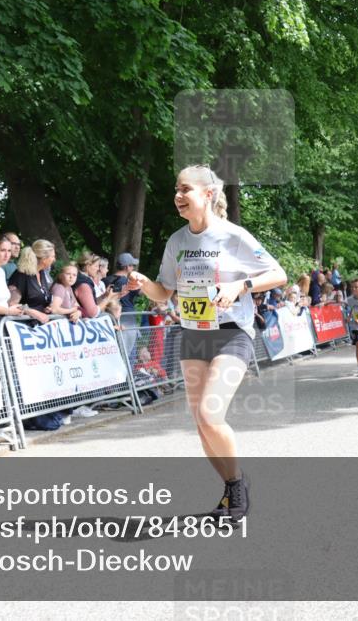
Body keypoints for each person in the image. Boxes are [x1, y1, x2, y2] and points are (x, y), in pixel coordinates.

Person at [126, 165, 286, 522]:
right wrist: (143, 283)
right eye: (176, 190)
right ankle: (232, 487)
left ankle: (236, 488)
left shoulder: (232, 235)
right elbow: (164, 292)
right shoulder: (177, 241)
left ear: (209, 194)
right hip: (193, 333)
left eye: (186, 190)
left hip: (231, 332)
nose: (178, 196)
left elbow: (278, 273)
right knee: (201, 422)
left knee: (211, 415)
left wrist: (239, 286)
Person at [8, 240, 56, 324]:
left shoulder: (41, 273)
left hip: (40, 327)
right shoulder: (21, 275)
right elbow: (11, 304)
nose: (54, 259)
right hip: (23, 327)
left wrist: (48, 307)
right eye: (53, 256)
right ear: (44, 259)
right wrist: (31, 312)